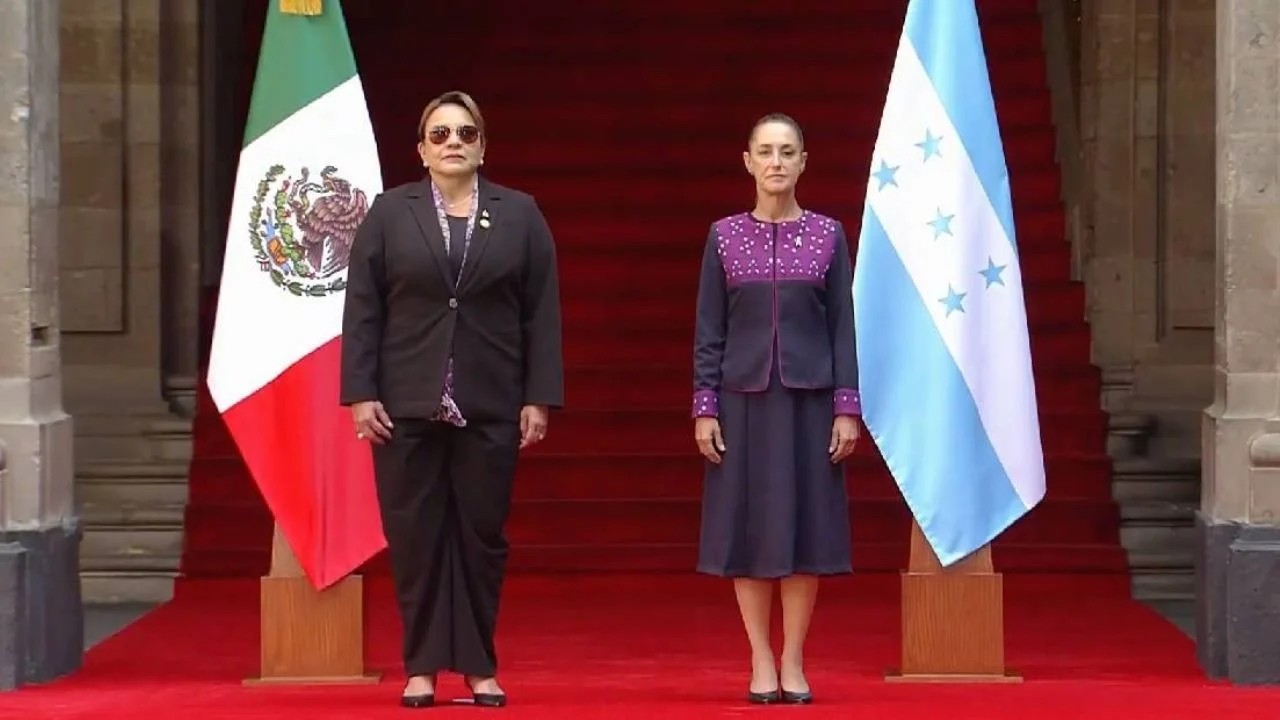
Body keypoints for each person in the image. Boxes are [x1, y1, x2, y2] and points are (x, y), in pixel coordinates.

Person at [340, 90, 564, 709]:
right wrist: (361, 393)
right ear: (421, 150)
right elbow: (362, 311)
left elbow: (541, 313)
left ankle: (479, 664)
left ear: (483, 145)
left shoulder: (519, 214)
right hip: (404, 404)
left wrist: (538, 397)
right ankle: (421, 667)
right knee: (415, 539)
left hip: (490, 400)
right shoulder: (388, 214)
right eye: (440, 135)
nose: (453, 143)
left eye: (465, 133)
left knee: (480, 537)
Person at [691, 112, 861, 705]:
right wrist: (704, 407)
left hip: (810, 406)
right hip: (741, 404)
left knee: (804, 533)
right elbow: (709, 329)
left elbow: (844, 326)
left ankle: (794, 659)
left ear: (803, 162)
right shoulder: (723, 237)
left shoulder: (828, 235)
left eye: (787, 152)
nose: (776, 163)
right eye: (765, 151)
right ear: (748, 161)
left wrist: (847, 407)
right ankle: (760, 658)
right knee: (749, 533)